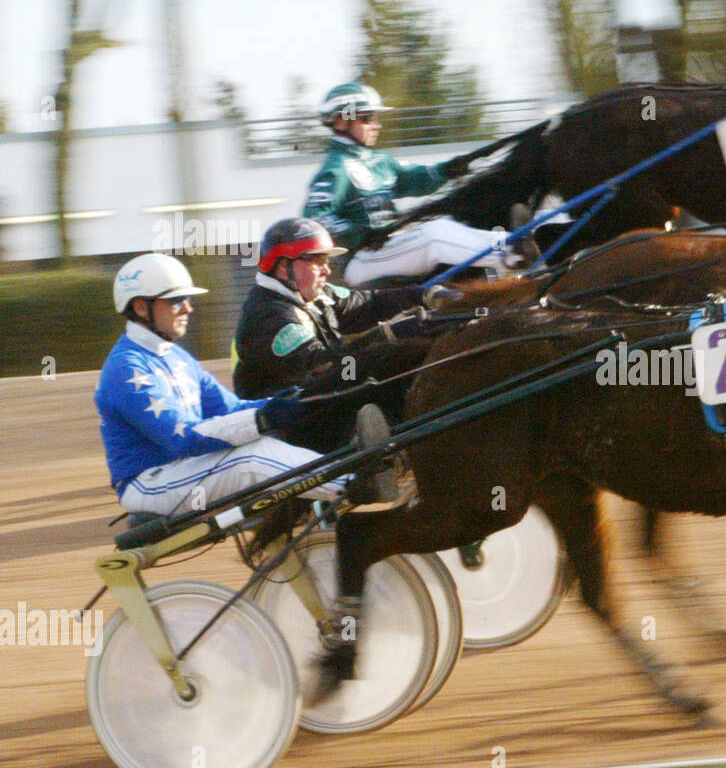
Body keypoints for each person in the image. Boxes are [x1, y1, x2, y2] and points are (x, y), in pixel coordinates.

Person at [96, 252, 397, 517]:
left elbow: (232, 409)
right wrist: (263, 418)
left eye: (188, 299)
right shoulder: (126, 368)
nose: (188, 308)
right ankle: (351, 483)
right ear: (140, 307)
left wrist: (298, 400)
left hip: (183, 470)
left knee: (261, 444)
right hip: (148, 483)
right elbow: (182, 437)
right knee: (249, 459)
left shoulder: (176, 356)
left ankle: (347, 474)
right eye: (176, 300)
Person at [303, 82, 522, 286]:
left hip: (386, 247)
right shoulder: (335, 170)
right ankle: (512, 255)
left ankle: (517, 242)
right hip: (360, 260)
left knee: (443, 225)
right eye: (368, 118)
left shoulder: (380, 161)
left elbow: (416, 179)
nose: (376, 126)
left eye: (376, 118)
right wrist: (361, 232)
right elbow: (316, 220)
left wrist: (447, 170)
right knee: (433, 237)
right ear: (341, 121)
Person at [232, 216, 458, 402]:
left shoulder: (319, 296)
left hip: (325, 398)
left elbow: (372, 303)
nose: (326, 271)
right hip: (285, 421)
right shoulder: (268, 315)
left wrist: (426, 295)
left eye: (327, 262)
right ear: (283, 267)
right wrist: (387, 335)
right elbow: (322, 366)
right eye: (316, 261)